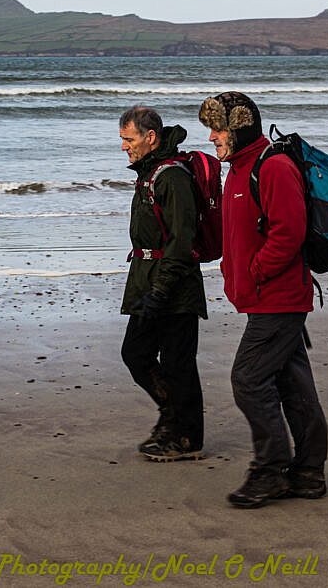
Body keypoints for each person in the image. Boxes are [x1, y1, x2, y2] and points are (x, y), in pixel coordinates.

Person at [198, 92, 328, 507]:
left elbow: (289, 233)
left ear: (239, 128)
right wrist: (231, 271)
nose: (212, 137)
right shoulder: (238, 169)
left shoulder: (272, 166)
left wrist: (253, 272)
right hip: (265, 298)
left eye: (218, 129)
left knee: (248, 379)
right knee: (292, 382)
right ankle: (307, 473)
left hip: (279, 298)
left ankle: (270, 470)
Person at [118, 105, 207, 462]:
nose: (124, 146)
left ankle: (186, 438)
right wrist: (149, 290)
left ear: (150, 137)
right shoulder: (150, 173)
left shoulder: (172, 177)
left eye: (129, 139)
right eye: (123, 139)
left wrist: (160, 290)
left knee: (178, 363)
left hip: (176, 286)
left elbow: (182, 242)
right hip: (148, 281)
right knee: (135, 354)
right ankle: (173, 418)